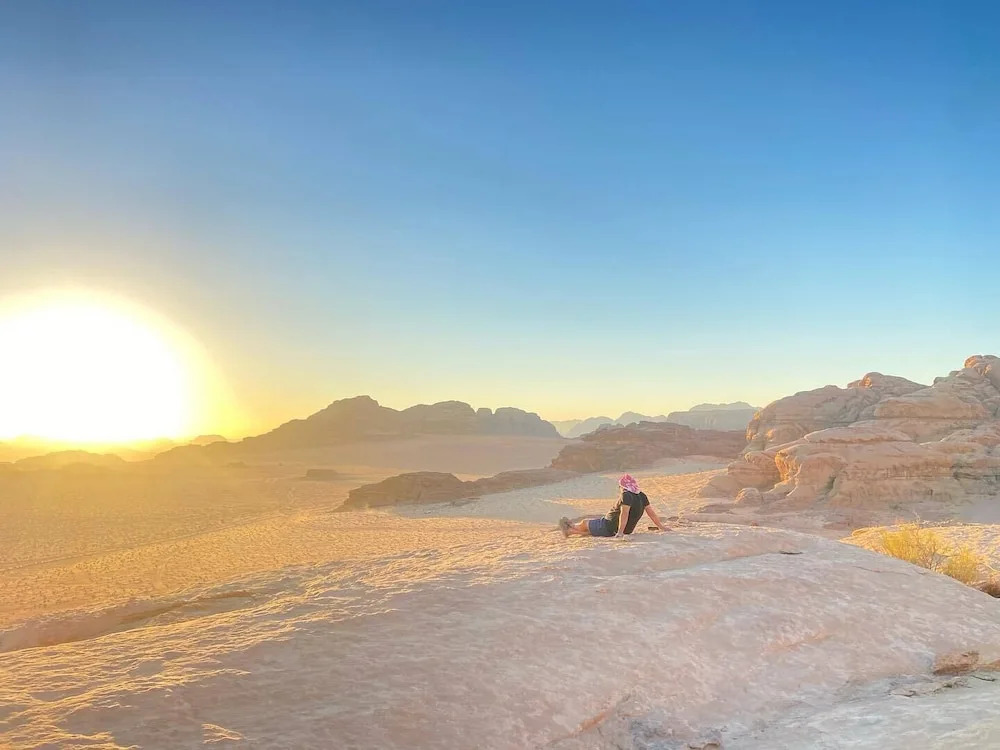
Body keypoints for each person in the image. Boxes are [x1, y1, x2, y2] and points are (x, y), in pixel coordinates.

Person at [559, 474, 669, 539]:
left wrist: (620, 532)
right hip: (626, 530)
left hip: (609, 525)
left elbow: (624, 514)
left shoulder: (626, 495)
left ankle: (572, 526)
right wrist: (661, 527)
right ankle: (570, 531)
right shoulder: (641, 495)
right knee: (594, 531)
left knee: (584, 523)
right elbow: (651, 513)